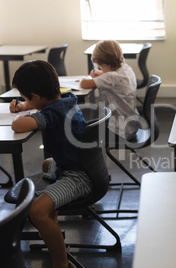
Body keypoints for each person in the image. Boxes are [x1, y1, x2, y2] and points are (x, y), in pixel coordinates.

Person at [10, 60, 91, 268]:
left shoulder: (52, 114)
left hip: (78, 176)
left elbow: (18, 125)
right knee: (47, 164)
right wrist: (26, 105)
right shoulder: (66, 101)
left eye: (26, 96)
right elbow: (41, 106)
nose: (25, 100)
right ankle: (51, 222)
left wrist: (23, 112)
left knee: (36, 211)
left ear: (36, 96)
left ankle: (61, 262)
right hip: (76, 165)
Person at [80, 40, 140, 142]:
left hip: (118, 130)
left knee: (82, 133)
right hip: (131, 125)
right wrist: (102, 73)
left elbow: (83, 83)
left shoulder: (110, 77)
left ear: (106, 64)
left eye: (100, 66)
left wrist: (87, 78)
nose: (100, 69)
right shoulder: (126, 69)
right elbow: (110, 77)